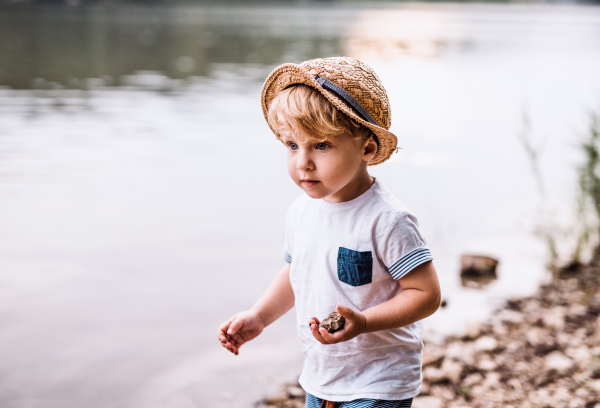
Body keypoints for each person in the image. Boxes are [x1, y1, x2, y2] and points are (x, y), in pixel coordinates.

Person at [217, 57, 441, 408]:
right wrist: (259, 316)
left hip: (378, 380)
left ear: (366, 148)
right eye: (292, 145)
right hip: (322, 376)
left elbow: (425, 294)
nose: (303, 162)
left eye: (320, 145)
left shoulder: (386, 219)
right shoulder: (302, 211)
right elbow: (297, 272)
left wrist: (364, 322)